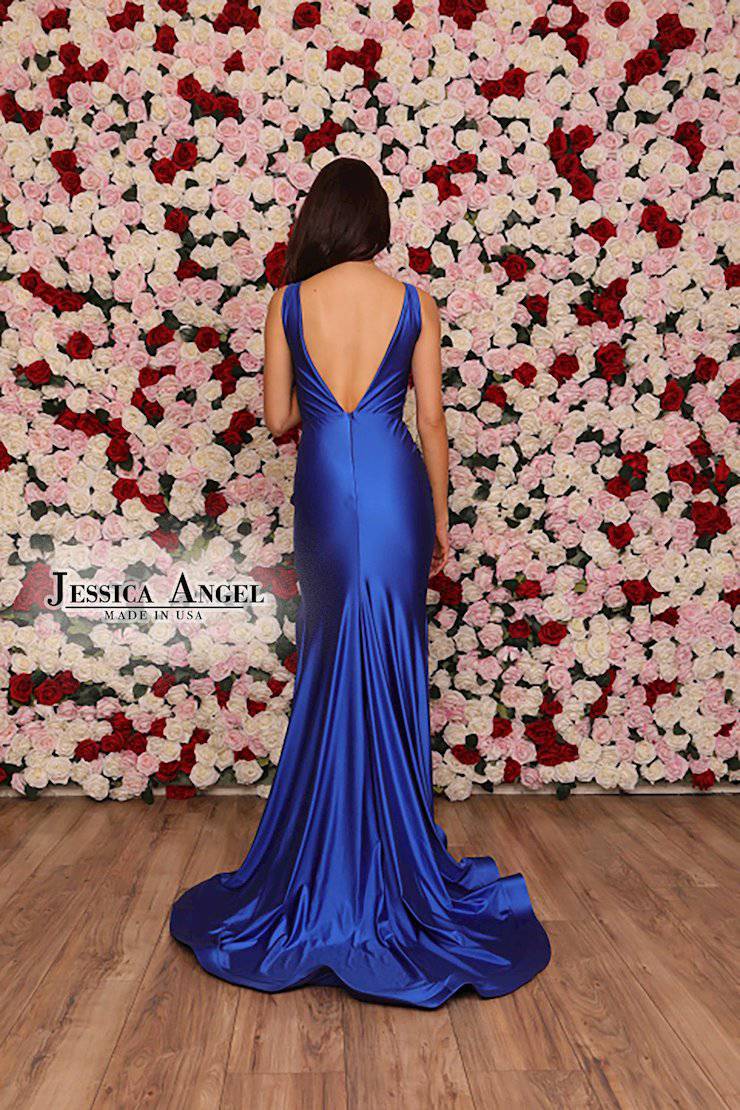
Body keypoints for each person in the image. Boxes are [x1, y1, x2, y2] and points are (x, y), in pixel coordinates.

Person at [170, 156, 551, 1008]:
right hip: (393, 487)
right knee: (391, 653)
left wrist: (322, 400)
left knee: (330, 654)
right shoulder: (413, 302)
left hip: (324, 493)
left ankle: (327, 859)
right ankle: (389, 858)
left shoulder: (287, 303)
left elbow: (278, 419)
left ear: (319, 220)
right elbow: (433, 419)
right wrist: (441, 517)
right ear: (375, 222)